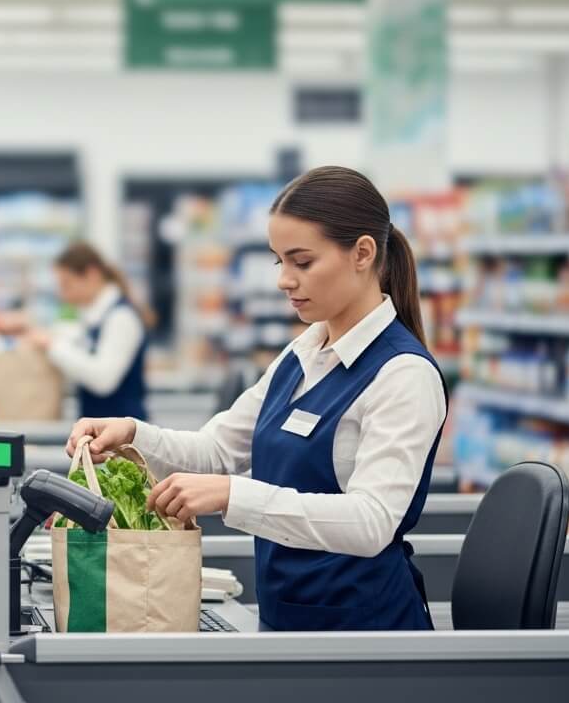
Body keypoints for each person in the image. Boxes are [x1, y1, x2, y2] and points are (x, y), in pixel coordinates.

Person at [66, 166, 446, 633]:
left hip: (364, 638)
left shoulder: (403, 374)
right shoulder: (303, 352)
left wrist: (232, 496)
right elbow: (217, 452)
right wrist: (132, 433)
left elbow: (371, 522)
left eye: (302, 262)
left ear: (362, 254)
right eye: (278, 261)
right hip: (288, 621)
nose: (285, 280)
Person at [22, 241, 156, 421]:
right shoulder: (95, 316)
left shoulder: (121, 318)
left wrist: (52, 345)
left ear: (92, 275)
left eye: (67, 284)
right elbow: (74, 336)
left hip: (123, 441)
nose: (63, 294)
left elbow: (103, 380)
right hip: (103, 435)